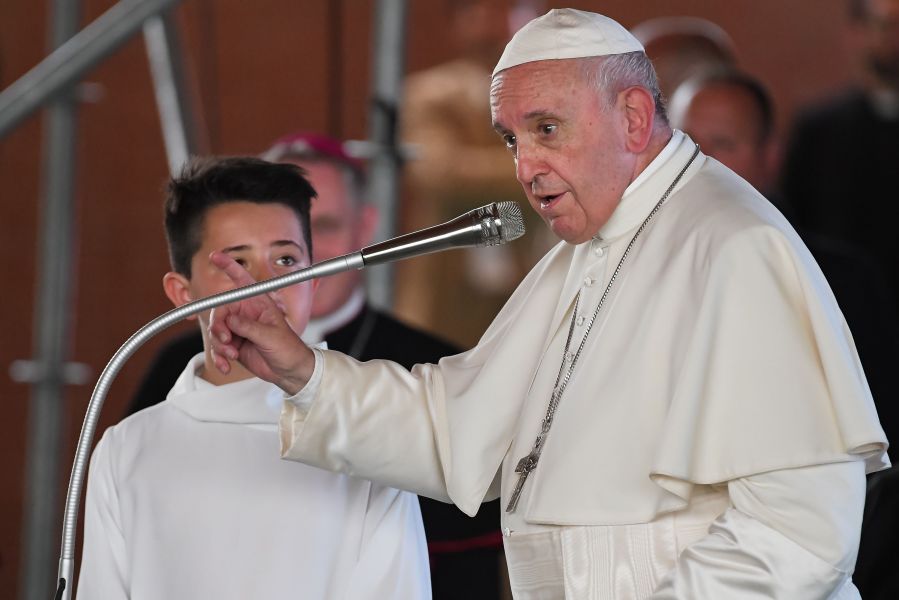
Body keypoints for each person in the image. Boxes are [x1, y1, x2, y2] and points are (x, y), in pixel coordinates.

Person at [207, 9, 889, 598]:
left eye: (546, 129)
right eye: (511, 138)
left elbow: (798, 531)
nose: (524, 165)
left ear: (632, 117)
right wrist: (304, 371)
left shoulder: (731, 243)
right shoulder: (586, 250)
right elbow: (458, 428)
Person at [126, 133, 507, 600]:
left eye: (315, 232)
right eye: (240, 254)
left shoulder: (430, 362)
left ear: (365, 227)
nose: (264, 277)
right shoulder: (178, 367)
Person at [77, 157, 431, 599]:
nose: (262, 283)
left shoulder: (366, 439)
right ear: (183, 294)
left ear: (313, 282)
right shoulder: (127, 448)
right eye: (234, 263)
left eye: (285, 259)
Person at [669, 67, 899, 452]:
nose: (699, 161)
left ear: (770, 156)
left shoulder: (842, 280)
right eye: (686, 142)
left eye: (722, 143)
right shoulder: (635, 266)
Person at [396, 0, 551, 348]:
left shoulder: (559, 95)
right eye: (475, 11)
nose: (490, 24)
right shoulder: (428, 95)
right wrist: (544, 168)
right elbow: (441, 173)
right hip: (450, 291)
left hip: (536, 276)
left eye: (506, 9)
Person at [780, 0, 899, 302]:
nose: (893, 38)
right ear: (859, 31)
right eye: (883, 25)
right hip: (844, 304)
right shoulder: (819, 131)